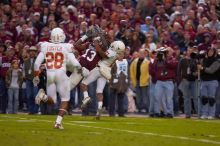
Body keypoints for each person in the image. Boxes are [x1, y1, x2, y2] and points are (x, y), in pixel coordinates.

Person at [34, 27, 81, 129]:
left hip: (50, 74)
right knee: (65, 99)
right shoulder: (67, 47)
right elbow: (75, 64)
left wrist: (36, 75)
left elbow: (37, 63)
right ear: (62, 36)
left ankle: (43, 96)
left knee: (52, 100)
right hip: (61, 73)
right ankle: (58, 123)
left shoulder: (45, 45)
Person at [80, 40, 126, 119]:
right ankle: (100, 107)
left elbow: (103, 55)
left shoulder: (112, 52)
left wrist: (98, 46)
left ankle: (86, 97)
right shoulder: (118, 55)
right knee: (99, 91)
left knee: (83, 83)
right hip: (106, 72)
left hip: (99, 68)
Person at [130, 48, 150, 113]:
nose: (141, 54)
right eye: (140, 53)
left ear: (145, 54)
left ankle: (145, 108)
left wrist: (147, 79)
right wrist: (133, 80)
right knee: (138, 96)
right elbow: (131, 71)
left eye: (143, 53)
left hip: (144, 81)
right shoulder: (134, 61)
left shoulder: (147, 62)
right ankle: (139, 108)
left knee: (144, 96)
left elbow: (149, 72)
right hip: (137, 81)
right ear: (138, 54)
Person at [109, 52, 129, 117]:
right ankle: (111, 113)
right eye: (119, 54)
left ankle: (121, 113)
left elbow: (128, 73)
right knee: (112, 99)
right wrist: (110, 82)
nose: (121, 55)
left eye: (122, 54)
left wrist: (127, 82)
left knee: (121, 99)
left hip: (123, 83)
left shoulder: (126, 62)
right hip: (115, 82)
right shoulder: (114, 63)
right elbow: (111, 73)